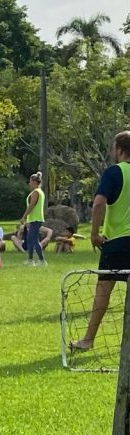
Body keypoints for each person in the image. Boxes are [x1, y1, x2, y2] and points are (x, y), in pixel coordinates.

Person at [72, 131, 130, 351]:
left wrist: (94, 234)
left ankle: (88, 340)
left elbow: (98, 204)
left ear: (118, 150)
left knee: (103, 291)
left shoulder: (115, 172)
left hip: (117, 242)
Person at [19, 172, 47, 266]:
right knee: (30, 239)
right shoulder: (39, 192)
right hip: (34, 219)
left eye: (30, 182)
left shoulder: (36, 192)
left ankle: (41, 260)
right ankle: (30, 260)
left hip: (36, 219)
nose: (29, 184)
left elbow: (31, 206)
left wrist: (24, 216)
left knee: (34, 239)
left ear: (35, 182)